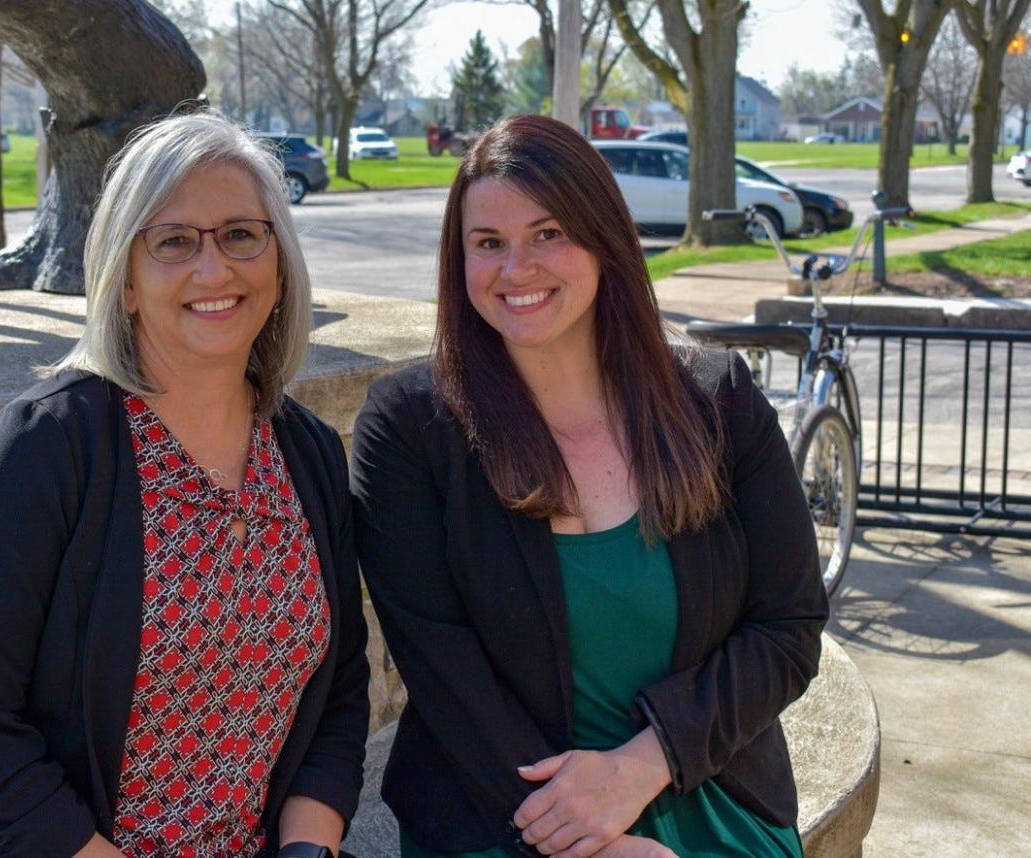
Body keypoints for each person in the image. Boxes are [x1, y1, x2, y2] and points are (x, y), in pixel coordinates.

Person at [0, 110, 369, 858]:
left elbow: (338, 687)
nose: (215, 269)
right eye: (173, 242)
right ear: (126, 283)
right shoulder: (46, 449)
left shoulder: (305, 452)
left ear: (279, 262)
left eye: (241, 233)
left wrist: (310, 846)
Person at [350, 114, 829, 858]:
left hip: (708, 790)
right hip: (499, 816)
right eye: (488, 244)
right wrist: (590, 845)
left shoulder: (718, 400)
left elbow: (790, 627)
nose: (517, 269)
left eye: (548, 234)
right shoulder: (412, 426)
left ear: (603, 238)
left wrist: (646, 764)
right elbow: (442, 669)